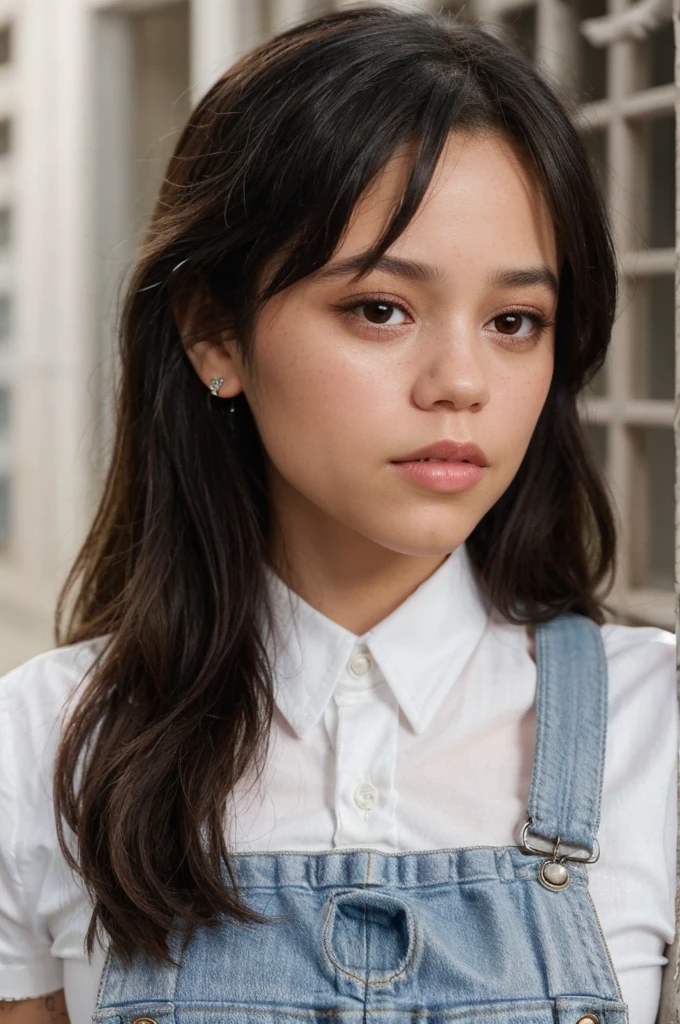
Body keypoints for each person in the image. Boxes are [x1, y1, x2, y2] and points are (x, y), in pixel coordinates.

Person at [0, 5, 676, 1024]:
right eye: (379, 308)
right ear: (214, 333)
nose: (460, 381)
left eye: (513, 322)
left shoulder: (654, 726)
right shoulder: (44, 744)